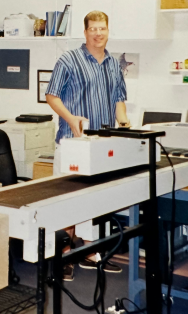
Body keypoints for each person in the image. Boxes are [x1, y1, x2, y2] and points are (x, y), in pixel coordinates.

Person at [45, 10, 130, 281]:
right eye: (93, 28)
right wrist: (70, 121)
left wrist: (125, 123)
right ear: (85, 32)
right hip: (73, 144)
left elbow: (119, 98)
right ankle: (64, 254)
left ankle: (89, 253)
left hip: (100, 147)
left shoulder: (114, 64)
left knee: (95, 200)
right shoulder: (69, 59)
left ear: (108, 30)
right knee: (68, 200)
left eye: (102, 28)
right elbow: (51, 95)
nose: (98, 33)